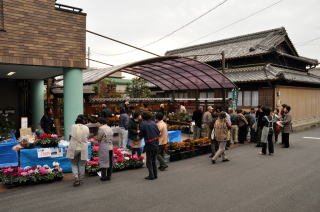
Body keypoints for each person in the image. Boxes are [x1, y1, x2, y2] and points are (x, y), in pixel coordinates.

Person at [66, 116, 90, 186]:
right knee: (82, 164)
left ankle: (76, 178)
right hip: (83, 148)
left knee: (74, 164)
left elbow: (70, 136)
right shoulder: (86, 127)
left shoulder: (73, 126)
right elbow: (87, 137)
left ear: (76, 121)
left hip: (74, 148)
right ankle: (81, 179)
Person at [140, 112, 160, 180]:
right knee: (154, 160)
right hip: (156, 142)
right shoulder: (154, 123)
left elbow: (141, 135)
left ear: (143, 118)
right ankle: (155, 174)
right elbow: (158, 132)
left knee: (149, 161)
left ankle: (151, 175)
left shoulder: (144, 125)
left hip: (149, 144)